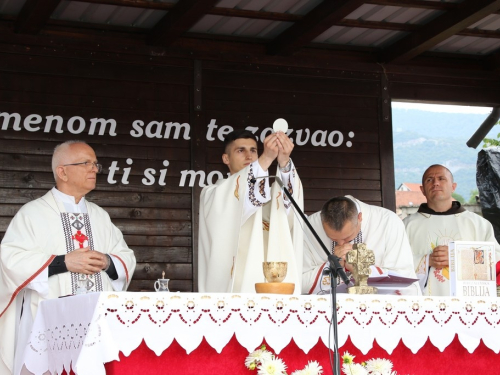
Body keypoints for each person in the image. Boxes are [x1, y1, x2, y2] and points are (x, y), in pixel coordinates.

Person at [0, 141, 136, 375]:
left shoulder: (100, 216)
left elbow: (125, 256)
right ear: (62, 171)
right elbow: (11, 260)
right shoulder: (33, 214)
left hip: (96, 322)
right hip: (48, 321)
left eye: (95, 164)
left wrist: (107, 261)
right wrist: (64, 262)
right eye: (86, 163)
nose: (94, 169)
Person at [198, 129, 303, 293]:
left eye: (253, 150)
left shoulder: (269, 193)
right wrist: (267, 158)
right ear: (226, 158)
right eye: (240, 150)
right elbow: (242, 197)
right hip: (236, 291)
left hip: (272, 289)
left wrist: (284, 162)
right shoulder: (213, 194)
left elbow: (290, 206)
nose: (249, 156)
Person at [404, 164, 500, 296]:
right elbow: (394, 263)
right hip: (421, 305)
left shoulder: (478, 224)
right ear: (422, 190)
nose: (435, 183)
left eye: (441, 178)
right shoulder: (406, 226)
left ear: (453, 186)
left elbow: (496, 259)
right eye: (429, 180)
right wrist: (426, 260)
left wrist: (458, 257)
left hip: (469, 304)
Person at [303, 196, 418, 294]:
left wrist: (361, 269)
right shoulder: (309, 226)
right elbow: (299, 282)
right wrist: (333, 266)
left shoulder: (388, 222)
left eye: (347, 237)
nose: (340, 244)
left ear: (359, 217)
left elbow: (404, 280)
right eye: (332, 238)